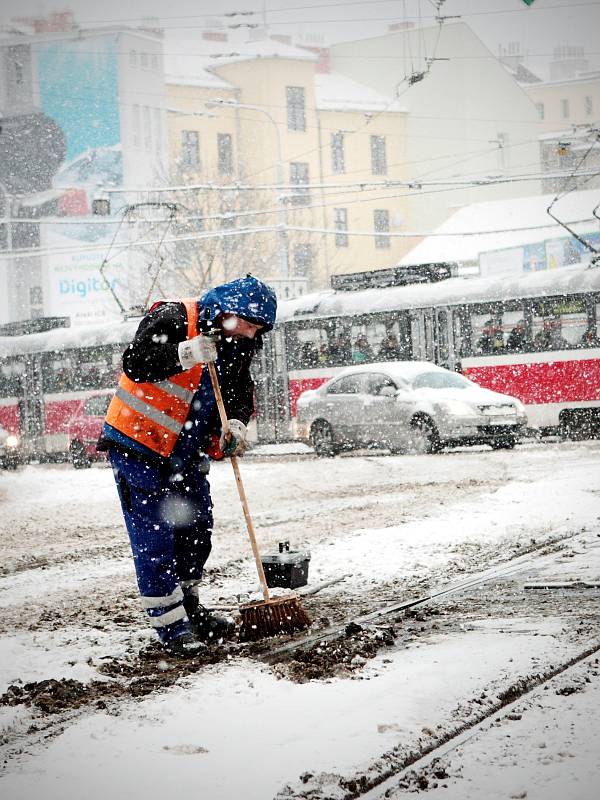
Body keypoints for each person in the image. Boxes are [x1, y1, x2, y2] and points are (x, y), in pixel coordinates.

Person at [97, 275, 277, 658]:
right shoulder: (174, 317)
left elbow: (239, 390)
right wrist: (187, 352)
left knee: (195, 528)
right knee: (155, 539)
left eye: (257, 329)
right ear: (228, 309)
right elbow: (136, 364)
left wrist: (237, 424)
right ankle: (171, 627)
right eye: (247, 323)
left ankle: (190, 607)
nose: (250, 333)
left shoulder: (240, 341)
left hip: (185, 451)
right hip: (138, 446)